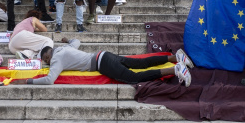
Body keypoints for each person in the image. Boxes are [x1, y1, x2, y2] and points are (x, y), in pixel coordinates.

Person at [14, 37, 193, 87]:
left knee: (133, 78)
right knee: (139, 63)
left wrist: (28, 81)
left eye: (46, 61)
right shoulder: (63, 50)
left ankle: (175, 69)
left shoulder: (56, 59)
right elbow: (76, 42)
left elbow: (49, 80)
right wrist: (67, 40)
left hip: (102, 64)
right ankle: (175, 56)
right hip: (104, 55)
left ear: (47, 57)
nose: (47, 63)